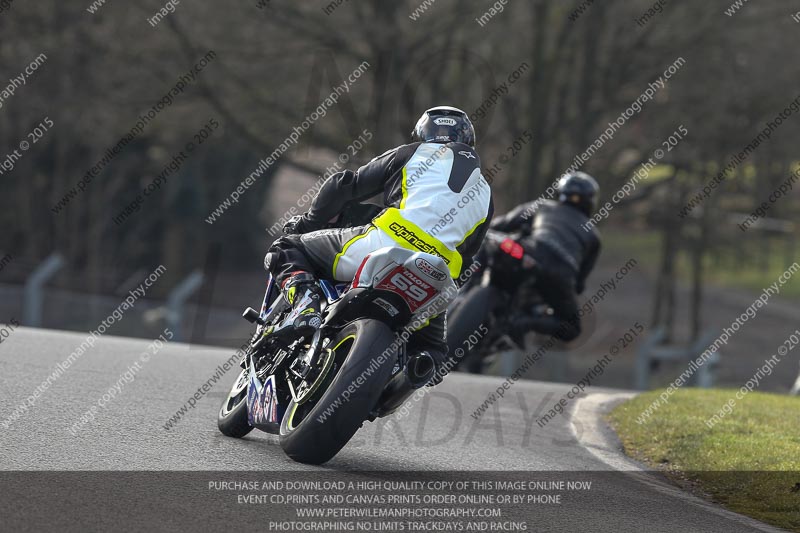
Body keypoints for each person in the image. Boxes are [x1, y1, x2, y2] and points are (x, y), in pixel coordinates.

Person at [265, 105, 494, 383]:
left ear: (423, 134)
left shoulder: (413, 153)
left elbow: (343, 185)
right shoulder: (485, 193)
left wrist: (309, 224)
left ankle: (305, 307)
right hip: (437, 274)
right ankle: (419, 368)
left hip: (382, 244)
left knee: (287, 248)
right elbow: (467, 258)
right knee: (432, 354)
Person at [489, 171, 600, 342]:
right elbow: (579, 284)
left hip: (530, 252)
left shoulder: (543, 206)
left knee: (488, 242)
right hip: (562, 273)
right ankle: (524, 323)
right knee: (572, 328)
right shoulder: (593, 236)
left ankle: (462, 287)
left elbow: (501, 225)